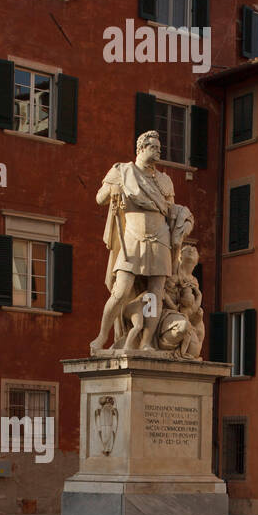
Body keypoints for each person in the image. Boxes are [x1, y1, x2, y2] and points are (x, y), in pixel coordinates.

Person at [89, 131, 180, 354]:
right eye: (154, 148)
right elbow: (99, 198)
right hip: (132, 238)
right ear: (141, 149)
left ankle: (147, 341)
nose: (159, 151)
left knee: (154, 293)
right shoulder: (123, 171)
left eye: (160, 148)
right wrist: (113, 189)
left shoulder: (165, 180)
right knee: (120, 291)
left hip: (160, 238)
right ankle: (101, 337)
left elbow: (171, 211)